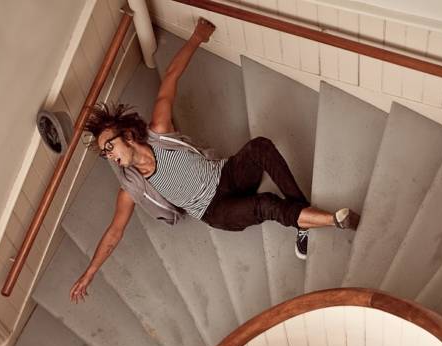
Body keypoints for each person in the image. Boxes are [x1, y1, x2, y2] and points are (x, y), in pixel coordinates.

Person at [70, 18, 359, 304]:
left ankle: (302, 220)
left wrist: (197, 37)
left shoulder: (158, 130)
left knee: (260, 147)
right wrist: (89, 273)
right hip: (215, 209)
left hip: (225, 174)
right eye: (105, 152)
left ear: (128, 135)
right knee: (266, 204)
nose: (109, 155)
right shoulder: (132, 188)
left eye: (110, 145)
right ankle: (332, 220)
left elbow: (170, 76)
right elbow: (114, 232)